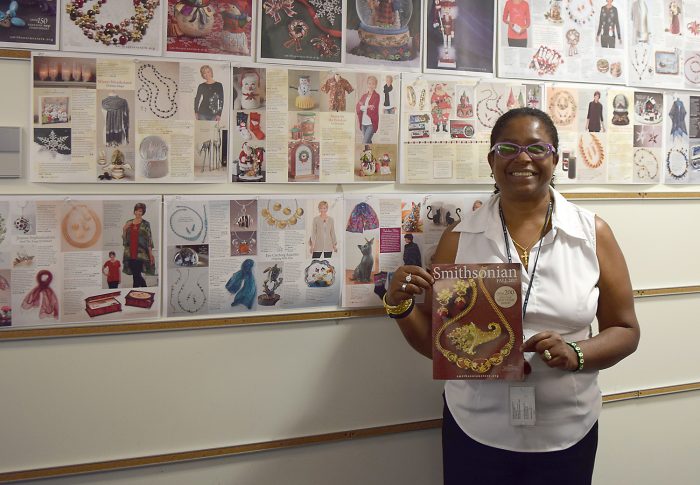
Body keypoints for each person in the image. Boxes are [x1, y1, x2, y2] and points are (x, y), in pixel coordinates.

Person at [383, 107, 640, 485]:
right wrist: (399, 304)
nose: (523, 158)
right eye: (508, 148)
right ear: (492, 161)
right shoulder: (459, 238)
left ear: (555, 158)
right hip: (475, 429)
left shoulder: (592, 234)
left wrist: (578, 353)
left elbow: (625, 329)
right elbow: (440, 347)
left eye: (537, 148)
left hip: (568, 429)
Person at [122, 203, 156, 288]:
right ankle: (144, 288)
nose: (138, 212)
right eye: (136, 210)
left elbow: (149, 239)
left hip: (140, 253)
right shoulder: (128, 222)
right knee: (136, 275)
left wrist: (150, 254)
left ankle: (136, 292)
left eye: (140, 211)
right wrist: (124, 229)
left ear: (143, 212)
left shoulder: (146, 224)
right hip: (130, 253)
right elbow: (125, 240)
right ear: (134, 211)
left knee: (136, 276)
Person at [356, 75, 380, 144]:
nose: (371, 85)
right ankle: (372, 154)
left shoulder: (376, 96)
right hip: (363, 123)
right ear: (367, 84)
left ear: (375, 85)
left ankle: (368, 154)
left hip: (371, 123)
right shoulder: (364, 96)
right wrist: (367, 107)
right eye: (369, 83)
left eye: (373, 84)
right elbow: (358, 107)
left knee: (364, 143)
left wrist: (363, 107)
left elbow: (373, 109)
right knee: (368, 142)